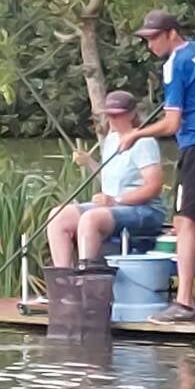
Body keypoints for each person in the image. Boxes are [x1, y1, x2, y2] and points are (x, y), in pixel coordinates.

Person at [118, 10, 195, 323]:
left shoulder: (175, 64)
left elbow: (172, 123)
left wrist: (136, 134)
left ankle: (184, 303)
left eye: (154, 38)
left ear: (172, 33)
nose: (150, 46)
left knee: (185, 222)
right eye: (146, 40)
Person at [47, 89, 165, 269]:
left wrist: (116, 200)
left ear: (131, 114)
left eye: (117, 115)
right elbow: (111, 179)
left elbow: (154, 187)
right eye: (109, 115)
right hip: (112, 207)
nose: (111, 119)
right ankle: (64, 277)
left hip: (144, 209)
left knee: (91, 219)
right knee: (58, 216)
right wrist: (89, 162)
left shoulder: (144, 142)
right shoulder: (111, 139)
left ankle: (86, 275)